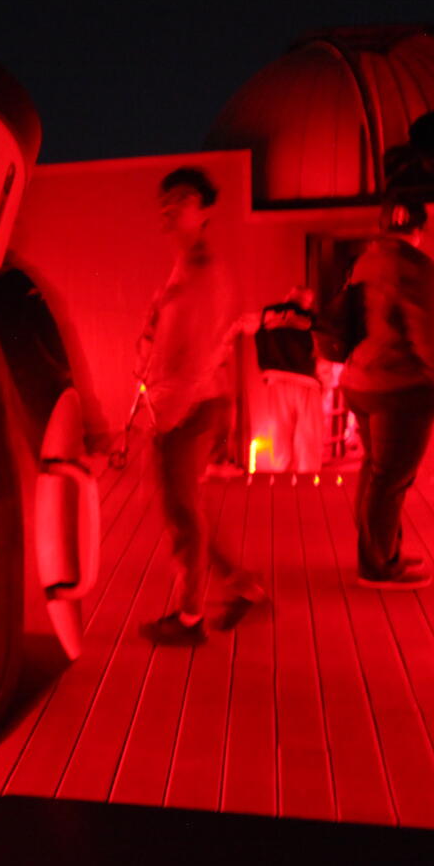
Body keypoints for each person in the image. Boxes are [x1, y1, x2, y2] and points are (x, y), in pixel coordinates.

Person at [138, 167, 265, 646]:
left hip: (188, 408)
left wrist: (164, 415)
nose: (170, 205)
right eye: (165, 198)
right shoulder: (184, 268)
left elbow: (197, 354)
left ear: (206, 210)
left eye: (184, 197)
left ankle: (190, 618)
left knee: (182, 515)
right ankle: (243, 586)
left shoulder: (204, 272)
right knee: (188, 508)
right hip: (186, 403)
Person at [340, 198, 434, 589]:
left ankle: (381, 550)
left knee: (376, 470)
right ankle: (377, 565)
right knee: (390, 479)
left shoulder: (365, 260)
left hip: (360, 379)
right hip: (401, 385)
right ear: (419, 229)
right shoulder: (418, 268)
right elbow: (430, 331)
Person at [255, 286, 323, 473]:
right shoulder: (310, 319)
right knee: (308, 435)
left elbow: (258, 337)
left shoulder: (267, 314)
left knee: (280, 431)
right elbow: (321, 345)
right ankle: (308, 477)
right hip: (306, 381)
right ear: (306, 301)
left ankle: (280, 475)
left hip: (276, 378)